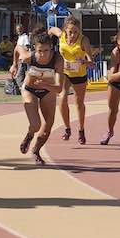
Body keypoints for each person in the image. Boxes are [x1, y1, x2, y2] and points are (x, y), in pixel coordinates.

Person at [10, 27, 63, 165]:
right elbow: (17, 48)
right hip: (30, 90)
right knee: (36, 124)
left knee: (47, 127)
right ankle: (29, 135)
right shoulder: (29, 57)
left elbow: (59, 88)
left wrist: (45, 85)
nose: (43, 55)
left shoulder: (57, 60)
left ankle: (36, 150)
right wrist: (14, 64)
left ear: (51, 48)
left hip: (48, 91)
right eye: (40, 51)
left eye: (46, 50)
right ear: (35, 48)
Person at [48, 16, 94, 144]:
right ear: (65, 30)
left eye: (75, 32)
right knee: (62, 98)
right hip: (65, 72)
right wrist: (47, 42)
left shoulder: (83, 40)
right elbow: (52, 29)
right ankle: (67, 128)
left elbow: (92, 62)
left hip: (79, 74)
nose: (73, 34)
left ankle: (81, 130)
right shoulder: (61, 35)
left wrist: (84, 61)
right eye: (70, 32)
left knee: (79, 103)